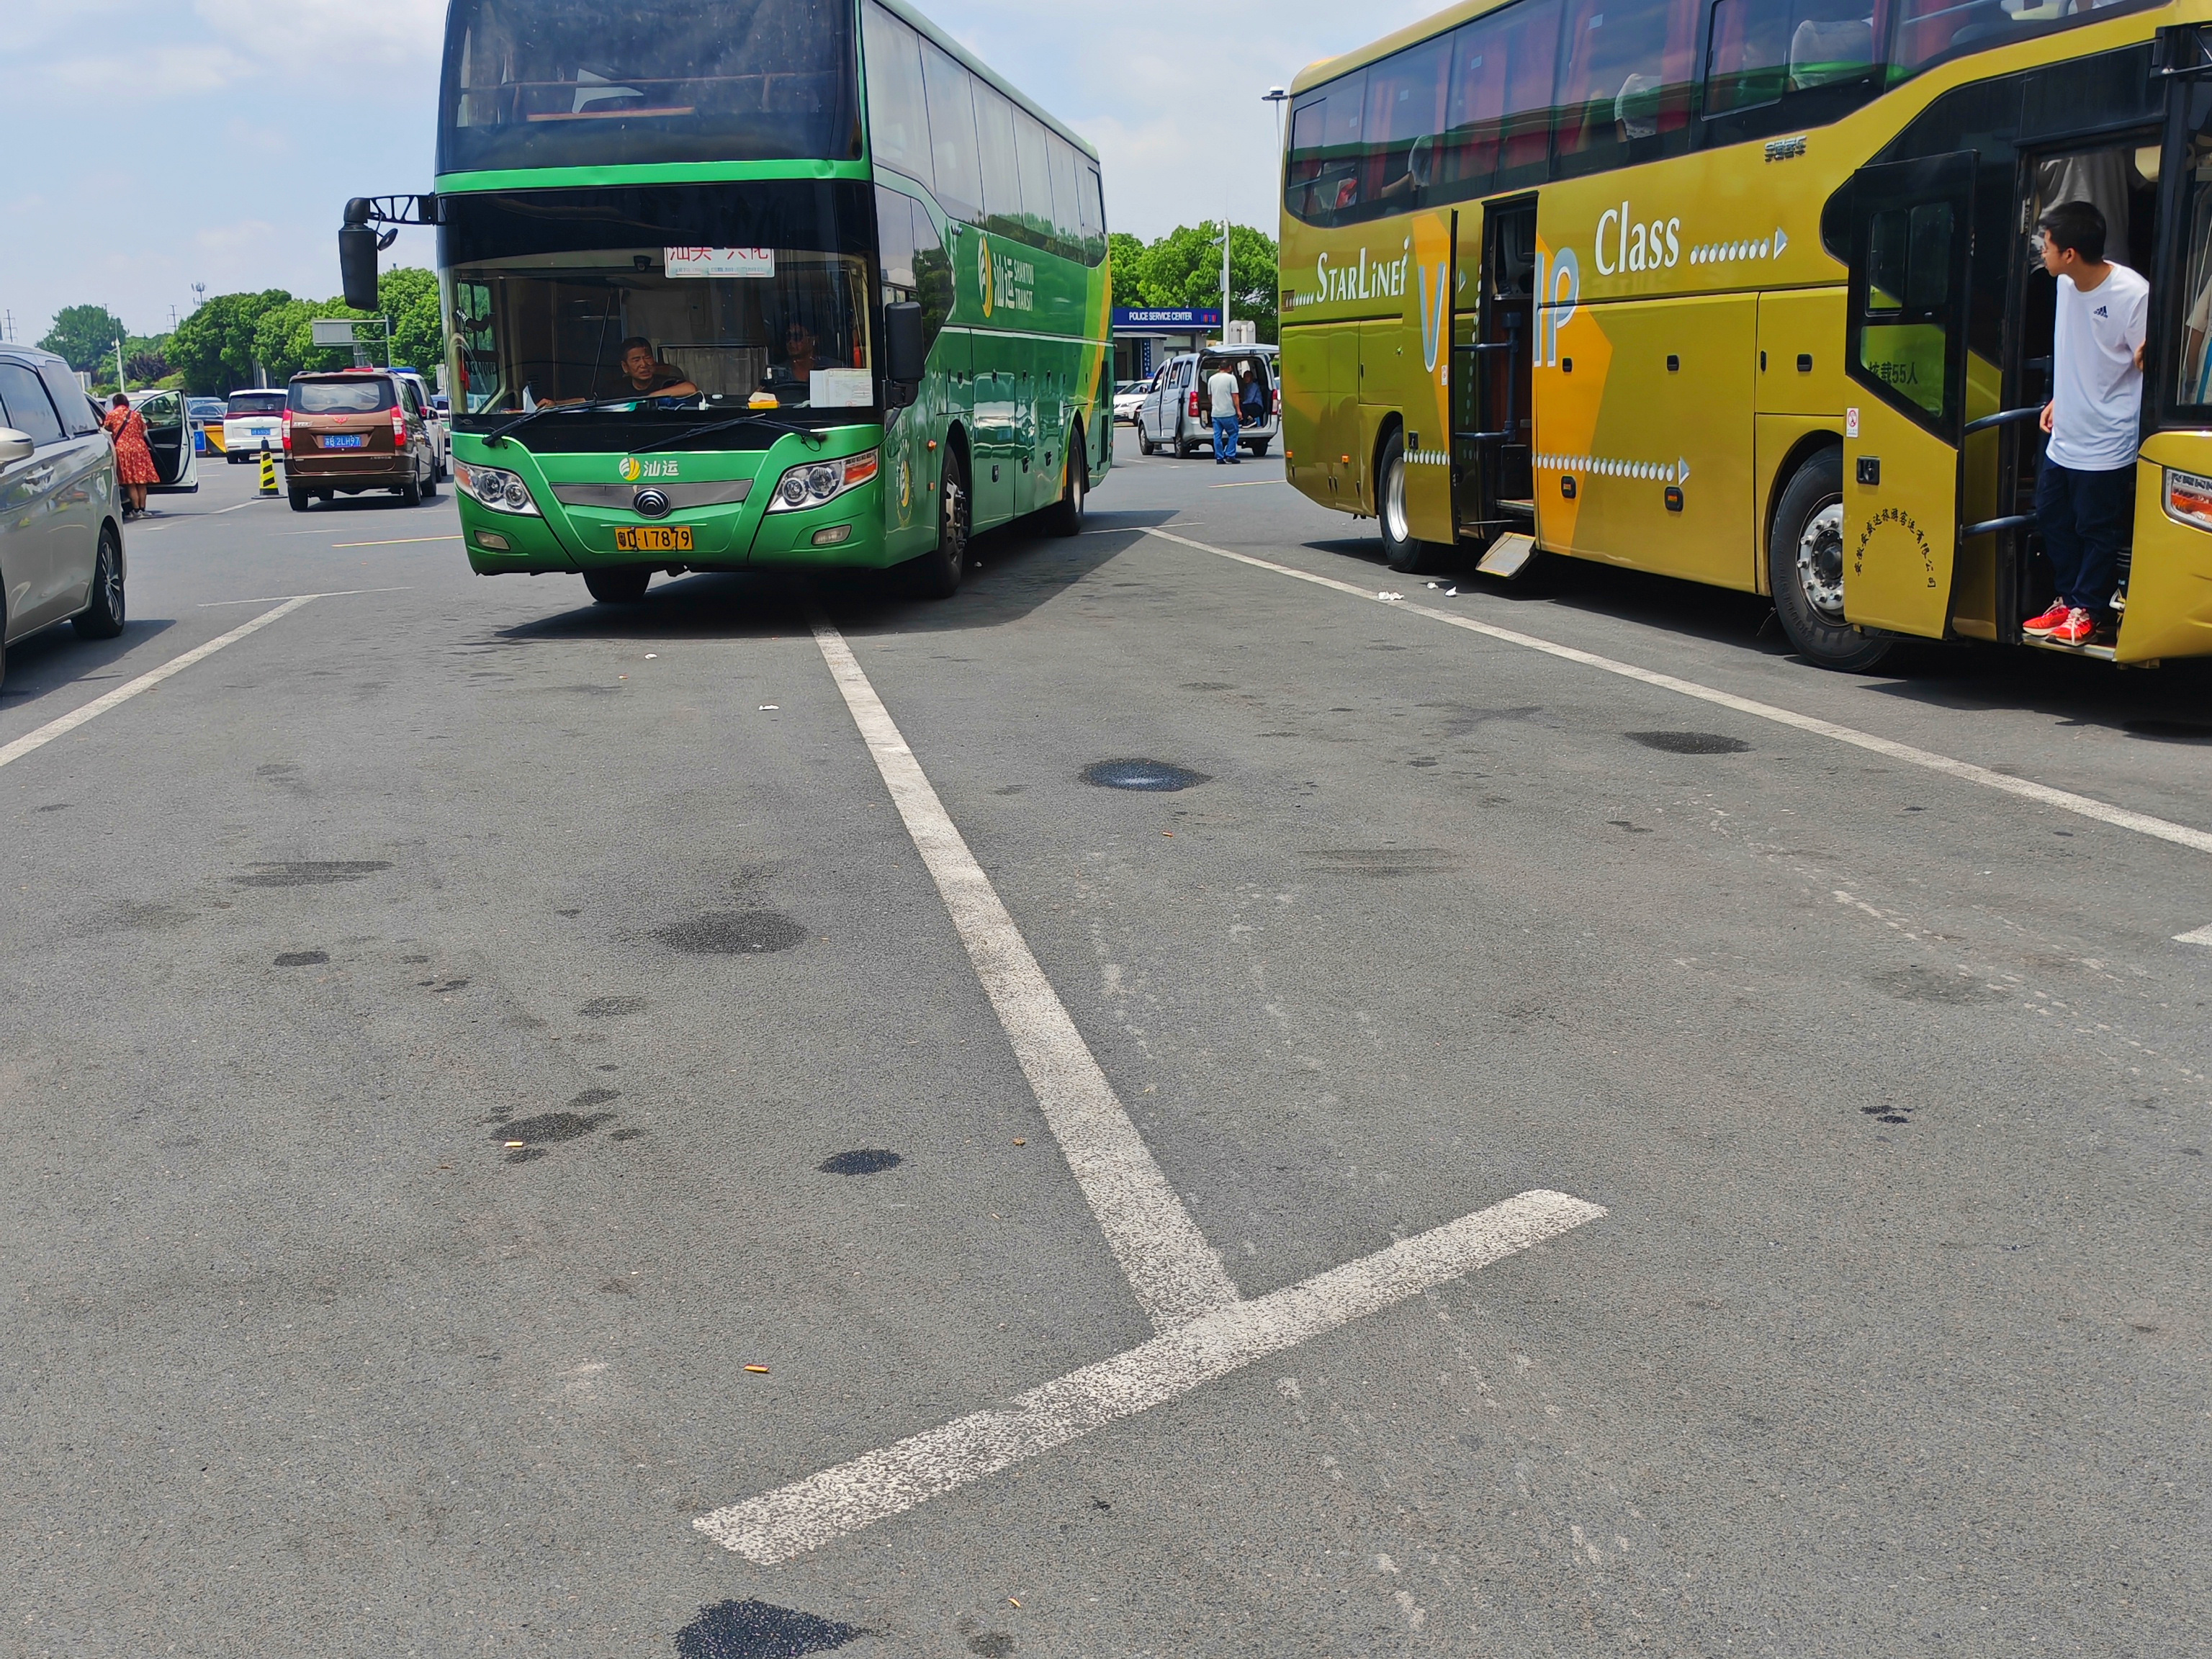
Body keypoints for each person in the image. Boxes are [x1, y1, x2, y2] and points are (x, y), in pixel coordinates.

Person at [2028, 199, 2148, 648]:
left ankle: (2089, 609)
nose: (2042, 251)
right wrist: (2061, 396)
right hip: (2066, 433)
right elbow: (2081, 349)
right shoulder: (2065, 286)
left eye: (2048, 245)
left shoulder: (2132, 294)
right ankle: (2068, 599)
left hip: (2108, 437)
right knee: (2052, 517)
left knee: (2096, 529)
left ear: (2071, 254)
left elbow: (2145, 358)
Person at [102, 392, 158, 517]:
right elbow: (143, 431)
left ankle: (136, 510)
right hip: (139, 448)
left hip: (123, 449)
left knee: (131, 482)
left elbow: (106, 428)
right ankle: (143, 509)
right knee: (141, 481)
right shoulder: (136, 415)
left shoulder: (112, 415)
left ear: (115, 403)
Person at [1206, 360, 1241, 464]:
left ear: (1219, 367)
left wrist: (1215, 404)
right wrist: (1238, 411)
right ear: (1230, 367)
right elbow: (1235, 395)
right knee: (1233, 433)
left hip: (1216, 413)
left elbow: (1210, 395)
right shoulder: (1231, 378)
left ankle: (1219, 457)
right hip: (1229, 412)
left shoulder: (1211, 379)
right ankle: (1230, 455)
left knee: (1217, 435)